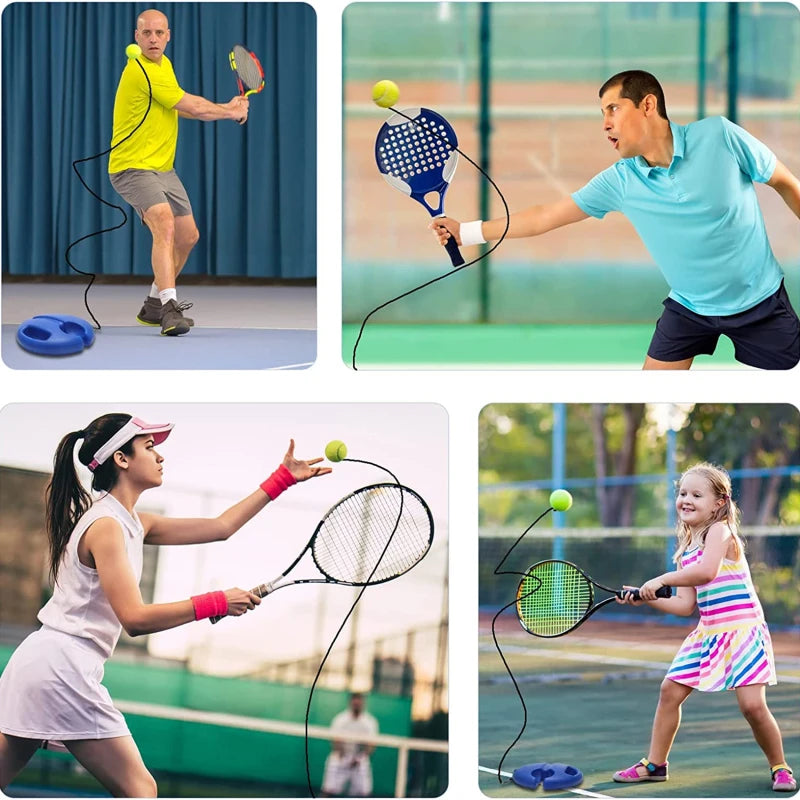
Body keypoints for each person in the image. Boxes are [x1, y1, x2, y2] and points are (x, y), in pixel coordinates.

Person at [0, 413, 329, 797]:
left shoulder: (134, 522)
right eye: (150, 447)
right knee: (142, 790)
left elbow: (221, 527)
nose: (160, 457)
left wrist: (282, 479)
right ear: (121, 460)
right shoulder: (106, 526)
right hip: (61, 668)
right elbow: (135, 619)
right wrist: (217, 600)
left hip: (42, 663)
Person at [431, 70, 800, 370]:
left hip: (761, 303)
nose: (605, 123)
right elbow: (545, 216)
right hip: (690, 309)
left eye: (613, 109)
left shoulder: (719, 135)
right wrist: (465, 232)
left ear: (647, 105)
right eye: (602, 114)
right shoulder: (621, 180)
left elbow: (785, 183)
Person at [613, 462, 796, 792]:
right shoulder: (684, 552)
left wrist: (661, 579)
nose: (686, 499)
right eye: (683, 493)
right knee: (669, 691)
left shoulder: (720, 532)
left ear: (719, 503)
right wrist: (646, 598)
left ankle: (780, 767)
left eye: (697, 494)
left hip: (743, 630)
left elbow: (708, 572)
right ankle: (655, 764)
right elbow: (685, 606)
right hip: (707, 633)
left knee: (753, 706)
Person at [108, 9, 250, 336]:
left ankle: (152, 304)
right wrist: (230, 111)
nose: (153, 39)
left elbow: (182, 108)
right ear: (137, 36)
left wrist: (227, 110)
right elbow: (192, 105)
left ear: (168, 35)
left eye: (159, 33)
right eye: (147, 34)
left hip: (163, 169)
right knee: (163, 222)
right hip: (131, 167)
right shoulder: (141, 71)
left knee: (188, 236)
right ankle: (171, 309)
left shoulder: (165, 66)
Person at [320, 692, 379, 797]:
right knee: (328, 790)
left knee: (366, 793)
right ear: (350, 703)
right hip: (340, 756)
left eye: (359, 702)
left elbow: (371, 745)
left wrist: (359, 758)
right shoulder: (340, 719)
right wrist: (343, 757)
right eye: (354, 702)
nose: (357, 704)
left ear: (363, 703)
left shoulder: (370, 722)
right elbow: (336, 741)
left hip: (360, 759)